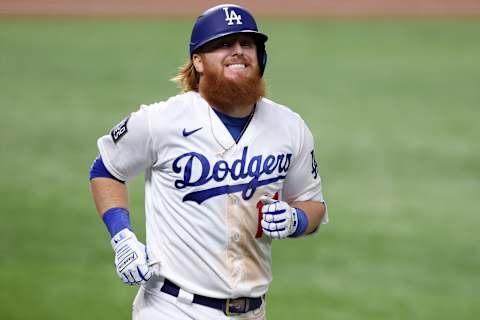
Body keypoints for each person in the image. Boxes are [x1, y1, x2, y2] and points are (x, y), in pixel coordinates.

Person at [89, 4, 328, 320]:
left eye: (247, 44)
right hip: (172, 308)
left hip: (253, 311)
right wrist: (122, 237)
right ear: (198, 61)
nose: (238, 51)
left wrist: (295, 219)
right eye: (224, 44)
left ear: (261, 57)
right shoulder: (162, 120)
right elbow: (106, 168)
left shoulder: (289, 126)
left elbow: (313, 204)